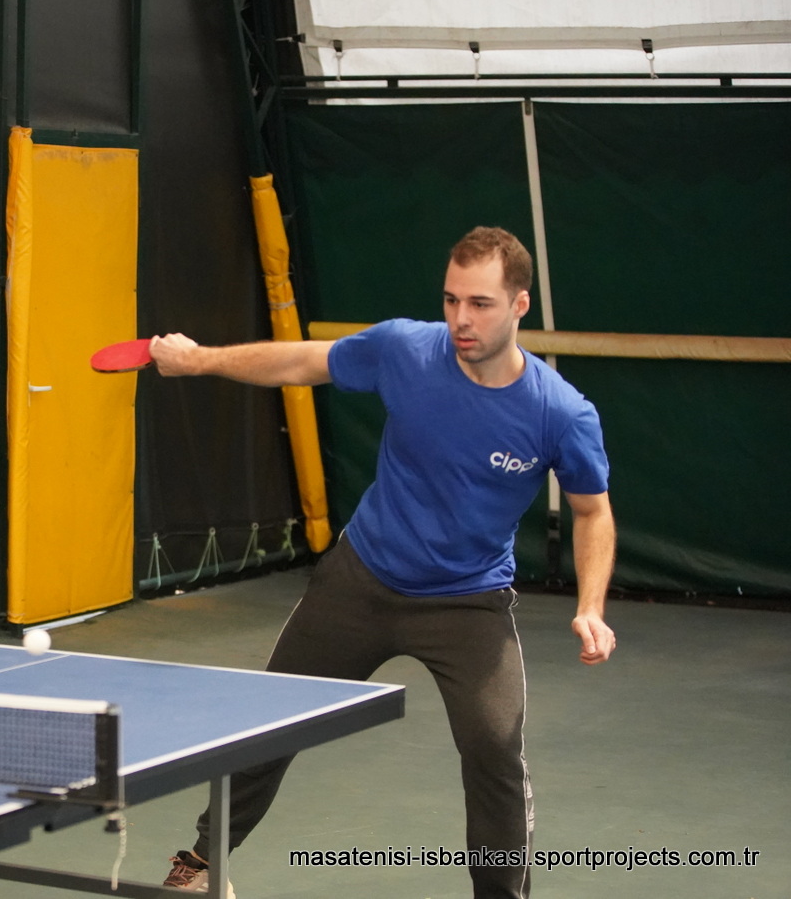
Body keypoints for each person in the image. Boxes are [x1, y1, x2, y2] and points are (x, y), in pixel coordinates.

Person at [151, 227, 616, 899]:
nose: (461, 318)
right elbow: (302, 361)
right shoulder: (405, 349)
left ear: (520, 305)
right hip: (362, 580)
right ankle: (201, 864)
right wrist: (199, 360)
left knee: (494, 748)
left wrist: (591, 607)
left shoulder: (560, 413)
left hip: (468, 600)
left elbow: (592, 512)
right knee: (268, 722)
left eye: (480, 304)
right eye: (451, 299)